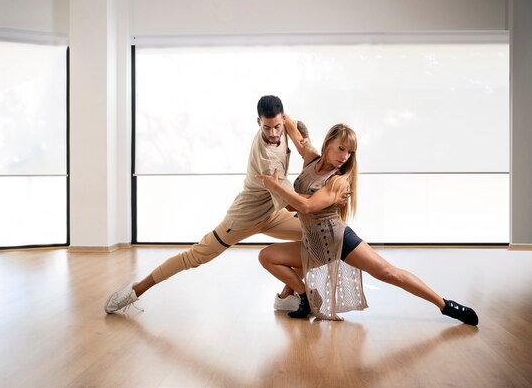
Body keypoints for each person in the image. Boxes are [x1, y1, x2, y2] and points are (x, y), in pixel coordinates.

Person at [104, 95, 347, 314]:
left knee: (321, 239)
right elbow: (296, 205)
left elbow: (293, 128)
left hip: (272, 213)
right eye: (267, 127)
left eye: (277, 127)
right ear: (257, 122)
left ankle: (286, 297)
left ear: (282, 119)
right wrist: (331, 196)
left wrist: (298, 136)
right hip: (243, 218)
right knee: (194, 257)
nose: (273, 133)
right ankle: (135, 291)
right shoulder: (267, 159)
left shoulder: (282, 125)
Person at [257, 123, 479, 325]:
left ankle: (445, 305)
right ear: (327, 145)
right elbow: (295, 136)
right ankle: (306, 295)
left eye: (350, 151)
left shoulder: (338, 181)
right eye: (341, 148)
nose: (345, 156)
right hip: (311, 244)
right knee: (266, 257)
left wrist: (277, 188)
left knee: (389, 273)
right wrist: (280, 117)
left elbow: (306, 207)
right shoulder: (312, 159)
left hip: (338, 240)